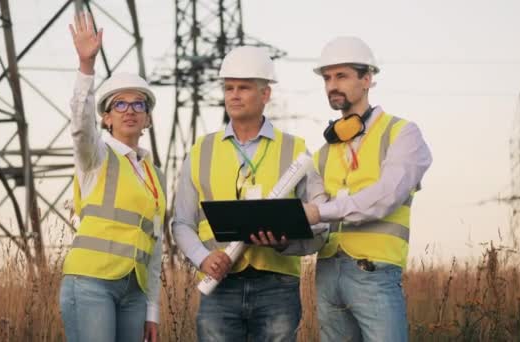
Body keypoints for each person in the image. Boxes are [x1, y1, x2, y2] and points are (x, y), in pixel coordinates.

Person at [172, 45, 327, 342]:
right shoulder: (201, 150)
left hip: (278, 286)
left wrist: (287, 243)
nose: (234, 95)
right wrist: (202, 259)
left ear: (265, 94)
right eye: (229, 87)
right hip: (218, 284)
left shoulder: (295, 150)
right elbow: (181, 222)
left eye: (243, 87)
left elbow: (322, 224)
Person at [303, 36, 433, 341]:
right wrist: (283, 235)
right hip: (326, 274)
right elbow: (317, 223)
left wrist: (318, 211)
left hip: (374, 273)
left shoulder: (402, 134)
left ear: (367, 79)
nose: (332, 85)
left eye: (342, 76)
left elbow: (384, 198)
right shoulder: (322, 153)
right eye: (327, 78)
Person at [59, 12, 165, 342]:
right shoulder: (96, 156)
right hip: (90, 283)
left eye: (138, 105)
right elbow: (79, 126)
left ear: (147, 118)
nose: (130, 110)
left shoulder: (154, 174)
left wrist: (152, 309)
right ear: (106, 118)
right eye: (120, 104)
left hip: (134, 290)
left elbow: (156, 245)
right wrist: (86, 67)